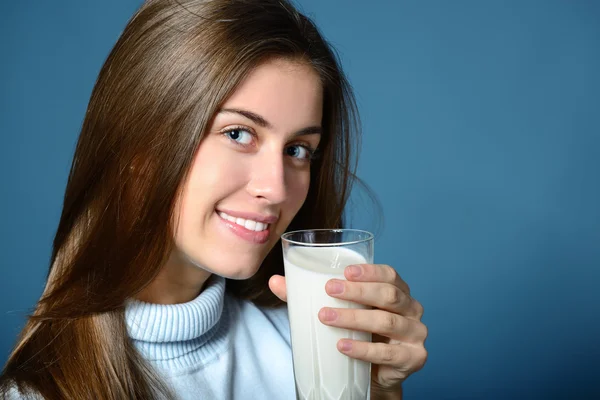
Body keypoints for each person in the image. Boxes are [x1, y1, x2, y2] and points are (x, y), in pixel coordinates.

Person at [0, 0, 428, 399]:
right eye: (238, 133)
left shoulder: (309, 348)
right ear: (139, 148)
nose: (276, 189)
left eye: (298, 149)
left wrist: (371, 392)